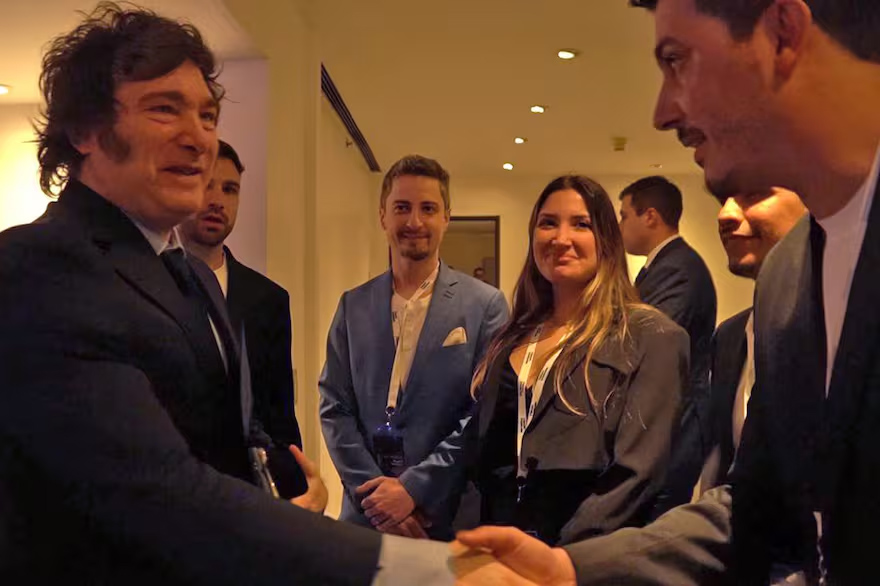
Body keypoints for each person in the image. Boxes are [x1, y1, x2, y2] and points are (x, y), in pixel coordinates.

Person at [0, 5, 461, 584]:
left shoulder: (188, 274)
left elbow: (232, 434)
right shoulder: (39, 265)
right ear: (85, 129)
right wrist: (427, 571)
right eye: (165, 108)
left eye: (208, 115)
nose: (198, 138)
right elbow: (161, 491)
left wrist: (284, 492)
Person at [452, 0, 880, 584]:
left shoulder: (655, 329)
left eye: (677, 60)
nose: (662, 112)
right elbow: (758, 505)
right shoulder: (786, 277)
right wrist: (569, 568)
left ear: (783, 34)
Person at [471, 175, 689, 546]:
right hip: (496, 549)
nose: (561, 238)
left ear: (606, 239)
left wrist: (563, 558)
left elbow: (636, 477)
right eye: (548, 223)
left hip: (583, 557)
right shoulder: (511, 337)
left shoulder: (650, 336)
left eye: (581, 224)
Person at [320, 155, 509, 540]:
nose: (415, 222)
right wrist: (377, 501)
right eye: (402, 208)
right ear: (382, 216)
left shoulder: (485, 305)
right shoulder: (352, 305)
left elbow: (481, 416)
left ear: (447, 217)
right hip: (366, 519)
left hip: (443, 517)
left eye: (428, 209)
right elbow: (334, 407)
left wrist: (413, 491)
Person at [180, 139, 306, 498]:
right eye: (207, 185)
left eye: (230, 189)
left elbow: (280, 412)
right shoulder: (151, 283)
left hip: (251, 490)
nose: (217, 200)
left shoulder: (268, 298)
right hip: (178, 486)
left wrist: (296, 489)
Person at [619, 175, 717, 512]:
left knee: (656, 521)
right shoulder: (664, 266)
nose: (620, 226)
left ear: (650, 217)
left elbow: (645, 342)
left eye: (624, 216)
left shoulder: (678, 268)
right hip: (668, 423)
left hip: (676, 425)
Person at [698, 188, 806, 492]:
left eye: (755, 191)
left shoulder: (849, 326)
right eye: (723, 200)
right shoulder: (729, 337)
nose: (725, 214)